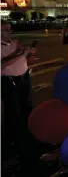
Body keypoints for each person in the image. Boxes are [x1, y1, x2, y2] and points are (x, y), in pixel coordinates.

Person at [1, 20, 37, 157]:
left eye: (9, 30)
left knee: (27, 109)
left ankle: (28, 138)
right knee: (13, 112)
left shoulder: (15, 43)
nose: (8, 33)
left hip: (24, 78)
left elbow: (27, 61)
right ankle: (14, 143)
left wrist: (31, 54)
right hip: (9, 81)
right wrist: (20, 54)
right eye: (4, 30)